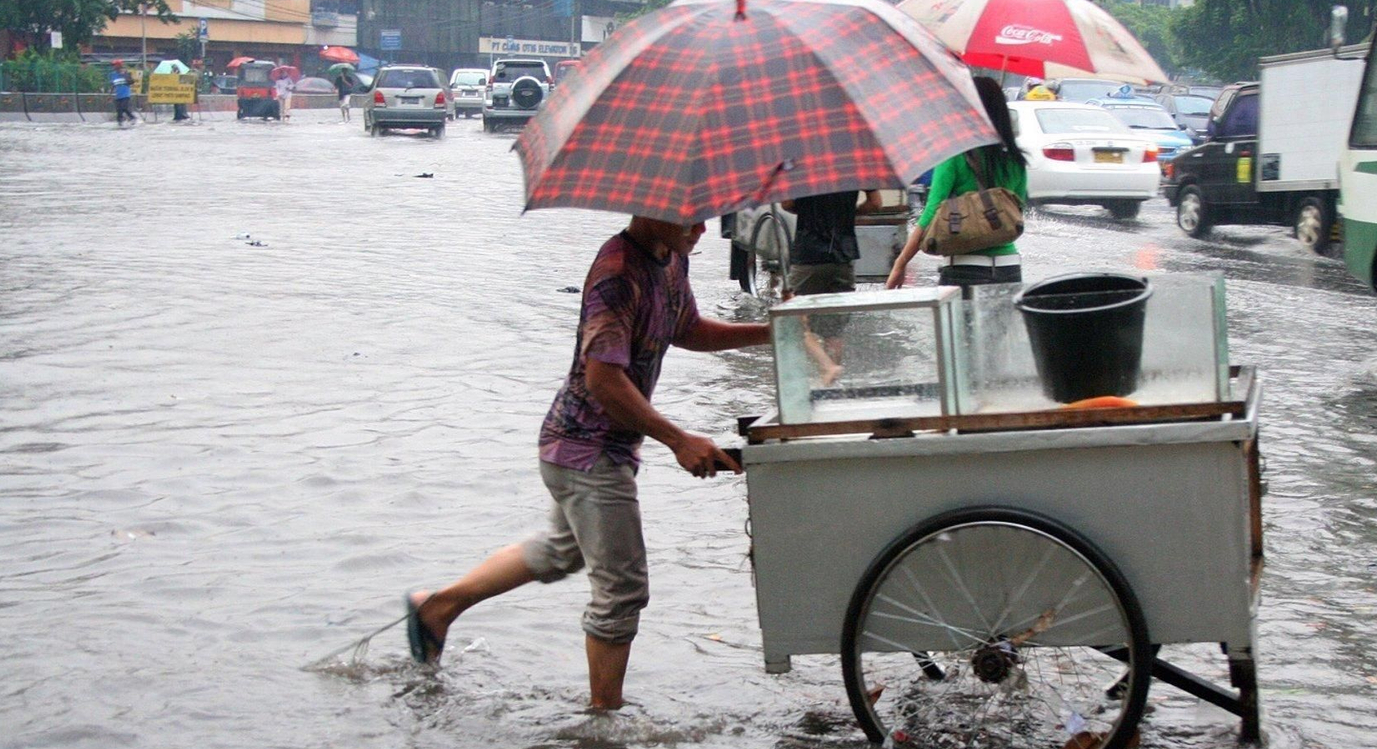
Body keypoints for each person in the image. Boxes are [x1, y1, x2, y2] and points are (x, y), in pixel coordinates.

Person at [403, 217, 771, 709]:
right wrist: (677, 439)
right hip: (587, 449)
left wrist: (773, 333)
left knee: (561, 551)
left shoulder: (669, 256)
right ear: (649, 206)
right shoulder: (616, 274)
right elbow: (603, 380)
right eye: (688, 217)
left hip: (593, 444)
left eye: (703, 214)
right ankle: (603, 726)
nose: (701, 228)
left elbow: (686, 328)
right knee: (622, 589)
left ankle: (437, 607)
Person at [886, 75, 1029, 293]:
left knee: (962, 328)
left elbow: (931, 212)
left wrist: (901, 262)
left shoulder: (954, 154)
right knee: (1002, 328)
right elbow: (1017, 211)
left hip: (964, 268)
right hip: (1008, 266)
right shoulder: (1016, 159)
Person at [780, 189, 882, 385]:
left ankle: (828, 367)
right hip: (843, 256)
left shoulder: (800, 163)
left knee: (793, 320)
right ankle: (831, 385)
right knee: (834, 330)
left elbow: (787, 203)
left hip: (808, 255)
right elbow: (875, 203)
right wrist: (848, 212)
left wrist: (809, 210)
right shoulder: (852, 161)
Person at [109, 60, 136, 126]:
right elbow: (113, 85)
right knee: (118, 110)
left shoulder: (126, 73)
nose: (113, 67)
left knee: (124, 108)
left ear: (119, 66)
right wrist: (109, 95)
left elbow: (131, 82)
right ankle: (120, 123)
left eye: (115, 65)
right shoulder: (113, 75)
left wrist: (124, 75)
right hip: (118, 95)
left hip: (125, 95)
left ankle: (132, 118)